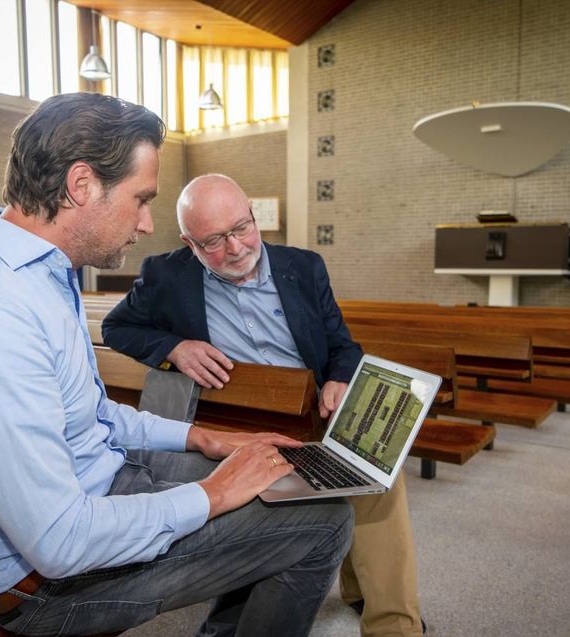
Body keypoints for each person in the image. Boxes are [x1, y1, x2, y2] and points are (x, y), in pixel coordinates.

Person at [0, 94, 352, 637]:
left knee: (282, 477)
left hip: (99, 481)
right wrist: (215, 493)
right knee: (324, 521)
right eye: (140, 199)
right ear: (82, 185)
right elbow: (61, 540)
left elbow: (91, 415)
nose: (145, 222)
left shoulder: (32, 273)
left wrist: (206, 439)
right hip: (43, 585)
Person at [102, 174, 426, 637]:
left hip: (312, 416)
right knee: (283, 496)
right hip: (234, 427)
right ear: (189, 243)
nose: (235, 248)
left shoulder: (305, 267)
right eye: (215, 240)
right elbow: (118, 328)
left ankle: (393, 625)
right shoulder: (166, 275)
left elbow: (343, 346)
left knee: (378, 475)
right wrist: (174, 347)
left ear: (253, 215)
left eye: (242, 227)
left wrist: (337, 377)